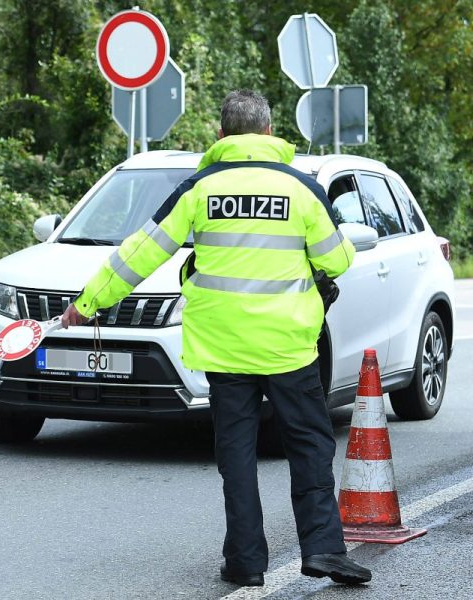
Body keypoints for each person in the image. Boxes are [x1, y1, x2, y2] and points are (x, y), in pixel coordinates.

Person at [61, 90, 372, 587]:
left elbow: (140, 253)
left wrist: (86, 303)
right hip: (287, 347)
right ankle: (324, 552)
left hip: (224, 349)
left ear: (222, 136)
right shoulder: (300, 189)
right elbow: (337, 259)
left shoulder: (199, 189)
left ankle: (246, 563)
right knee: (310, 448)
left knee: (237, 456)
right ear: (270, 134)